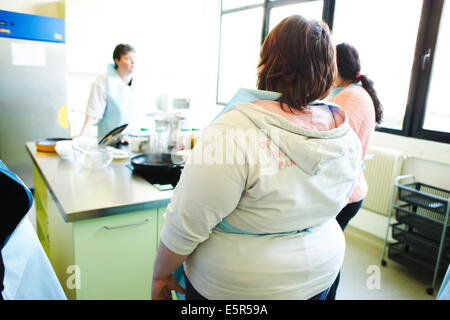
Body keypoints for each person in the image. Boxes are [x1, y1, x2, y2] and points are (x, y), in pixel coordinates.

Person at [151, 15, 362, 300]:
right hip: (321, 274)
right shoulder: (344, 132)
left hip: (240, 287)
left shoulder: (234, 130)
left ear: (269, 61)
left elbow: (187, 221)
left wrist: (161, 276)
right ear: (329, 69)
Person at [325, 42, 383, 300]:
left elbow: (329, 145)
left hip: (344, 194)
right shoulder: (359, 94)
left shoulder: (347, 97)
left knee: (326, 258)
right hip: (353, 190)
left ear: (335, 67)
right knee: (330, 254)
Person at [78, 43, 156, 139]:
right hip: (109, 141)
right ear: (117, 61)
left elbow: (151, 111)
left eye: (134, 58)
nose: (133, 62)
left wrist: (169, 115)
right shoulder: (102, 82)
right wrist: (81, 136)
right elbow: (93, 113)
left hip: (136, 140)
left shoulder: (141, 83)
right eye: (127, 59)